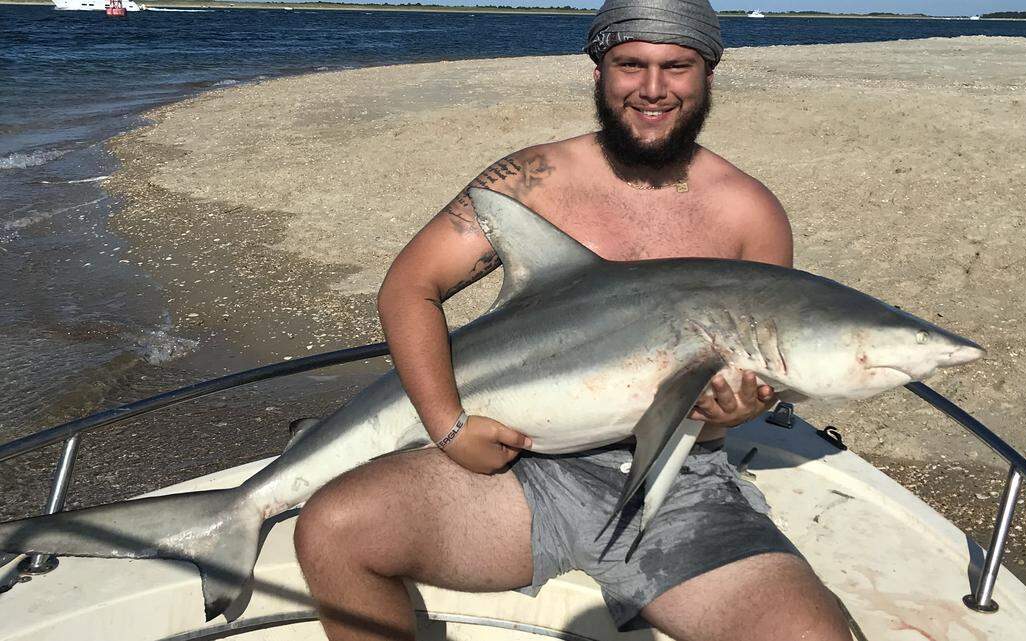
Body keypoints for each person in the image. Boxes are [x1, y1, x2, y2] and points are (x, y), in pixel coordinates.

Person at [294, 0, 852, 639]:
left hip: (678, 484)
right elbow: (409, 288)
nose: (651, 88)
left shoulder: (749, 214)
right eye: (629, 65)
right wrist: (447, 427)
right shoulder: (532, 182)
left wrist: (740, 410)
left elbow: (764, 375)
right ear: (598, 73)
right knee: (334, 529)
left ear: (707, 77)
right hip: (524, 464)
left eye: (677, 66)